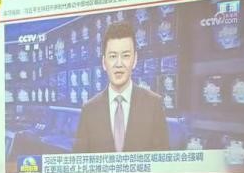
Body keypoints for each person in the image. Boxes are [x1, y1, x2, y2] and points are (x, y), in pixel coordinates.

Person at [72, 21, 171, 154]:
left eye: (125, 56)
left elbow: (164, 161)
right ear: (104, 62)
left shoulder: (154, 105)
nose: (119, 64)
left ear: (135, 60)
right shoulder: (89, 110)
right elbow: (78, 162)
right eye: (113, 56)